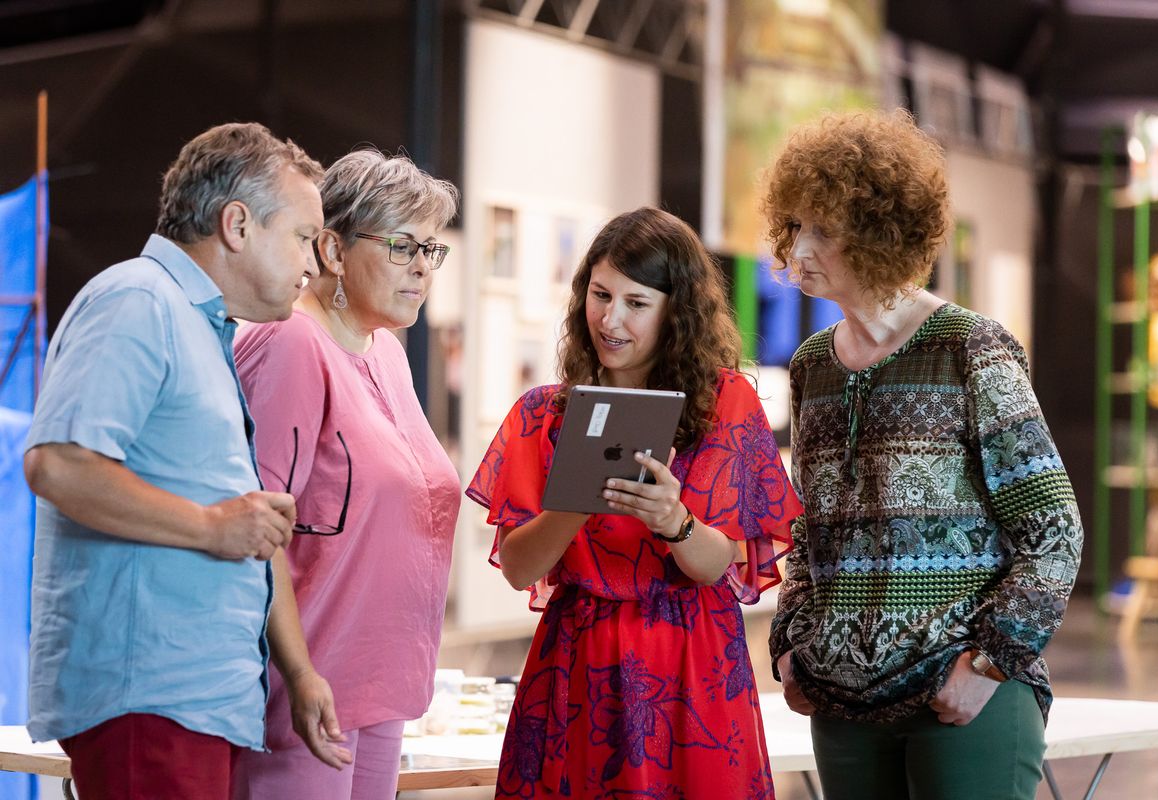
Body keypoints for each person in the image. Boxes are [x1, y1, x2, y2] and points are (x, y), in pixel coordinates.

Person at [763, 109, 1083, 800]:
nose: (799, 250)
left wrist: (990, 666)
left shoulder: (970, 348)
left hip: (962, 698)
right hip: (841, 709)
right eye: (794, 227)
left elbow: (1054, 532)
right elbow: (807, 529)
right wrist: (791, 642)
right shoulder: (812, 365)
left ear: (880, 231)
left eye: (823, 228)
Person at [23, 122, 324, 799]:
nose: (314, 260)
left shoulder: (197, 323)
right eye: (304, 235)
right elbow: (58, 465)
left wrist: (297, 671)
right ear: (238, 224)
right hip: (149, 695)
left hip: (188, 698)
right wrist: (212, 526)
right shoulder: (138, 300)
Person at [467, 207, 803, 799]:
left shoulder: (726, 404)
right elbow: (519, 567)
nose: (610, 319)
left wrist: (674, 521)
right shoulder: (543, 414)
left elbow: (717, 564)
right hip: (577, 663)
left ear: (676, 311)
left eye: (636, 303)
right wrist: (575, 500)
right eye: (600, 295)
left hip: (690, 665)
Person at [231, 148, 461, 800]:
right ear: (332, 249)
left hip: (381, 681)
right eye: (401, 246)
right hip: (306, 691)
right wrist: (300, 673)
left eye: (431, 249)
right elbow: (255, 527)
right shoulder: (291, 342)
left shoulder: (386, 352)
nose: (422, 267)